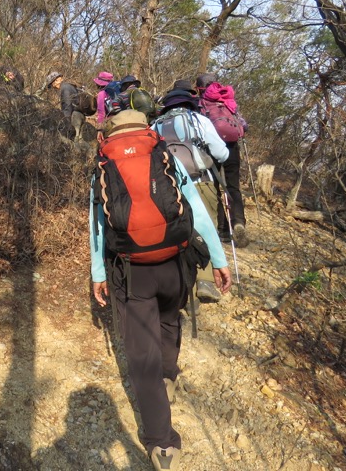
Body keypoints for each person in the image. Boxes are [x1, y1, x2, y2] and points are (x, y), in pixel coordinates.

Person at [90, 109, 232, 471]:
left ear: (111, 134)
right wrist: (218, 259)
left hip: (131, 270)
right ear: (146, 128)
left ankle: (162, 444)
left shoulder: (104, 166)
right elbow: (196, 210)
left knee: (141, 357)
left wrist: (98, 273)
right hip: (174, 263)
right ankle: (168, 374)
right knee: (170, 316)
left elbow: (98, 226)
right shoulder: (164, 154)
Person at [152, 86, 230, 305]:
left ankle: (180, 282)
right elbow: (222, 153)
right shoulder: (199, 120)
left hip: (168, 187)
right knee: (206, 226)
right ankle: (204, 281)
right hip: (199, 181)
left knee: (177, 232)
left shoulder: (155, 125)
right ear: (189, 103)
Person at [197, 72, 249, 248]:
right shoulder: (227, 99)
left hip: (211, 148)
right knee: (233, 186)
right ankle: (239, 222)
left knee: (215, 186)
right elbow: (243, 125)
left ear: (199, 88)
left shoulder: (202, 102)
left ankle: (223, 230)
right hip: (232, 147)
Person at [45, 71, 86, 141]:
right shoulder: (67, 86)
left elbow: (67, 107)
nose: (52, 87)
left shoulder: (65, 89)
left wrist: (66, 123)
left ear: (56, 81)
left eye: (51, 84)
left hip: (75, 117)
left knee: (76, 140)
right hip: (78, 114)